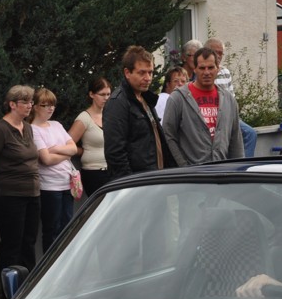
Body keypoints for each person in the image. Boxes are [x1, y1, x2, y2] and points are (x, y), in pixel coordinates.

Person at [0, 85, 41, 271]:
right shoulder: (1, 129)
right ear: (12, 104)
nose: (29, 105)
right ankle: (11, 285)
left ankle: (29, 283)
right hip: (9, 194)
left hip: (32, 192)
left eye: (31, 101)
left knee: (29, 241)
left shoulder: (28, 127)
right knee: (12, 243)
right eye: (25, 102)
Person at [163, 46, 246, 167]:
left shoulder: (228, 100)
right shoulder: (178, 98)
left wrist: (238, 169)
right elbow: (168, 136)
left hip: (222, 171)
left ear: (218, 69)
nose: (206, 72)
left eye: (211, 67)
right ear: (195, 69)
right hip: (192, 173)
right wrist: (183, 166)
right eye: (202, 68)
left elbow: (236, 139)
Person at [104, 45, 170, 179]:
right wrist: (130, 184)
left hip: (156, 176)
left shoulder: (145, 98)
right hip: (137, 182)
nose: (148, 78)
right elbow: (115, 152)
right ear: (127, 73)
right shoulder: (118, 102)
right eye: (142, 73)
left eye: (150, 72)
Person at [31, 88, 79, 253]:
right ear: (35, 107)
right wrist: (66, 154)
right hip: (49, 187)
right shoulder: (33, 129)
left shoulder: (56, 125)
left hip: (67, 183)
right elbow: (46, 159)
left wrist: (55, 148)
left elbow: (74, 148)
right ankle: (51, 264)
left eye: (52, 105)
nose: (50, 108)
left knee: (67, 227)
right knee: (52, 229)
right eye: (45, 105)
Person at [205, 39, 258, 157]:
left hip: (229, 116)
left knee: (250, 133)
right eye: (216, 52)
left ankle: (243, 165)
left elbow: (232, 100)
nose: (219, 56)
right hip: (213, 117)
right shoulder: (205, 73)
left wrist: (233, 118)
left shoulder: (225, 72)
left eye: (221, 53)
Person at [70, 76, 111, 197]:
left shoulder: (110, 115)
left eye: (108, 94)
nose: (106, 98)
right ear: (92, 94)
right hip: (94, 173)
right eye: (102, 94)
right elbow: (67, 143)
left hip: (112, 170)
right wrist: (82, 151)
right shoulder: (84, 118)